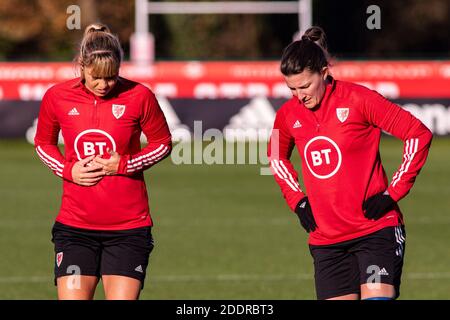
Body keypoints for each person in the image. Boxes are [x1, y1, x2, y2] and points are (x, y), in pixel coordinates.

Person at [268, 26, 432, 300]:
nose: (300, 96)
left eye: (305, 86)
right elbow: (275, 154)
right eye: (292, 88)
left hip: (375, 231)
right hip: (327, 243)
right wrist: (297, 201)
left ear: (323, 72)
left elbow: (417, 133)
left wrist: (393, 192)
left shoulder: (359, 99)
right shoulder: (286, 114)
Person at [34, 23, 172, 300]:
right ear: (81, 66)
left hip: (129, 230)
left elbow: (163, 144)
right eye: (96, 77)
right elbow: (43, 143)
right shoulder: (57, 97)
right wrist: (67, 169)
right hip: (75, 230)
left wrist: (125, 164)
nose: (103, 84)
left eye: (111, 77)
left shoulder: (140, 96)